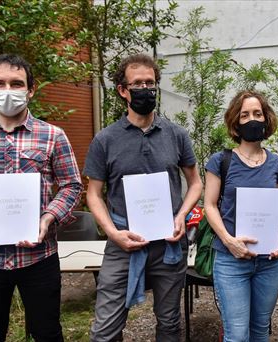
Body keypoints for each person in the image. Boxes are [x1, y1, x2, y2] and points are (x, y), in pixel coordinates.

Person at [0, 53, 83, 341]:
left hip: (39, 258)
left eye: (16, 83)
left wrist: (48, 219)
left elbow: (72, 185)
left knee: (48, 333)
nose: (7, 90)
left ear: (30, 89)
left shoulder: (53, 136)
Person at [84, 53, 202, 341]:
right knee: (105, 330)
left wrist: (180, 216)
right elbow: (94, 194)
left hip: (169, 244)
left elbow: (196, 183)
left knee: (170, 323)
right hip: (123, 243)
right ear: (123, 90)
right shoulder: (105, 140)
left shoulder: (176, 135)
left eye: (151, 83)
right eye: (138, 83)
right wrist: (112, 233)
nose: (146, 89)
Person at [204, 90, 278, 341]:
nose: (252, 119)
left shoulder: (276, 164)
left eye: (258, 113)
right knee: (237, 334)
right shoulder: (220, 161)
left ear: (266, 119)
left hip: (269, 261)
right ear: (235, 122)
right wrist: (229, 241)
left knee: (261, 328)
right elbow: (209, 205)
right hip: (231, 260)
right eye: (245, 115)